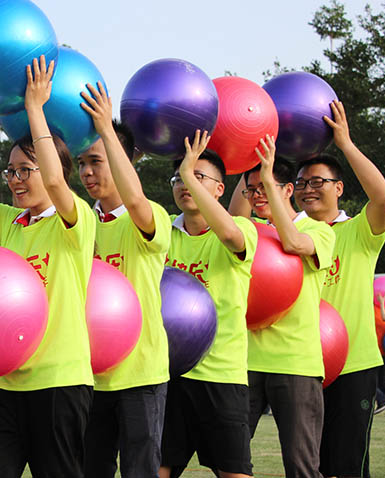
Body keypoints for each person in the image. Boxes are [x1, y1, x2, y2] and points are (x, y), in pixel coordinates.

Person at [0, 56, 96, 478]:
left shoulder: (74, 220)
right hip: (2, 386)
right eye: (10, 171)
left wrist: (34, 108)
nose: (15, 179)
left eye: (26, 170)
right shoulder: (8, 224)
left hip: (59, 384)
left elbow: (60, 183)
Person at [294, 100, 385, 478]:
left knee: (349, 464)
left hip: (355, 366)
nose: (308, 189)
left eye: (317, 182)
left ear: (339, 187)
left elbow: (382, 198)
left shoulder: (359, 232)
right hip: (304, 366)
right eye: (301, 184)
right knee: (311, 464)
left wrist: (346, 144)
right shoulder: (294, 235)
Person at [77, 82, 171, 477]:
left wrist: (104, 129)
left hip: (140, 374)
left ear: (125, 161)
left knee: (140, 471)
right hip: (86, 374)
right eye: (81, 163)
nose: (86, 172)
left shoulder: (150, 216)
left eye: (96, 161)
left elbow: (135, 202)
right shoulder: (78, 223)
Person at [229, 137, 335, 478]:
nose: (257, 194)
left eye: (266, 187)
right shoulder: (249, 231)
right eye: (251, 190)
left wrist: (266, 180)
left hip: (295, 363)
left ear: (288, 189)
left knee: (301, 465)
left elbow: (292, 243)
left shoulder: (318, 230)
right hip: (245, 362)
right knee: (230, 459)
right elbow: (229, 221)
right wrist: (243, 159)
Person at [159, 131, 258, 478]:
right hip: (168, 375)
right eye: (179, 176)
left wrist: (188, 172)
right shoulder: (162, 235)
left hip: (222, 376)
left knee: (233, 472)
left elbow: (231, 236)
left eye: (198, 176)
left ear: (220, 189)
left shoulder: (242, 228)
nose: (185, 182)